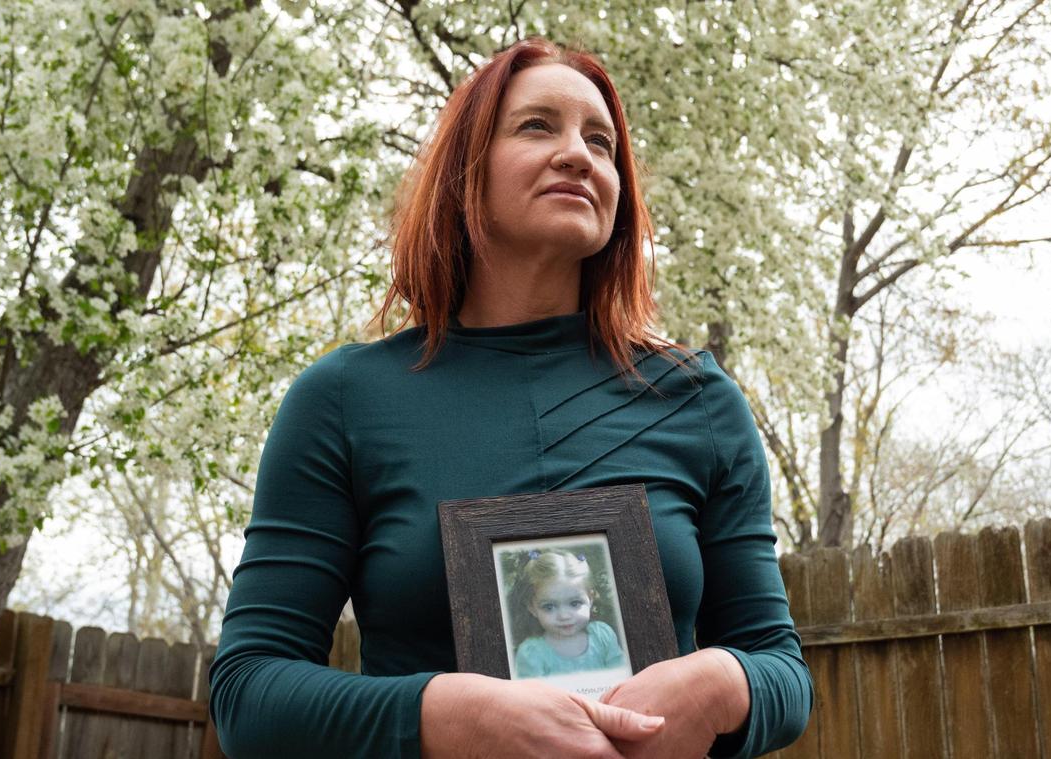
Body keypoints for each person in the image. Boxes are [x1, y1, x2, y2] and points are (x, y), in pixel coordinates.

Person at [209, 35, 813, 759]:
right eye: (537, 126)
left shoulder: (698, 400)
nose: (578, 154)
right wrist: (445, 716)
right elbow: (247, 692)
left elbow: (783, 671)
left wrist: (724, 683)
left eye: (601, 142)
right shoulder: (343, 400)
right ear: (466, 170)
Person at [508, 549, 626, 678]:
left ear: (590, 599)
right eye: (549, 607)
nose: (564, 616)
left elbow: (621, 677)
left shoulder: (602, 636)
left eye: (575, 603)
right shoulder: (531, 653)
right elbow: (531, 690)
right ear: (532, 608)